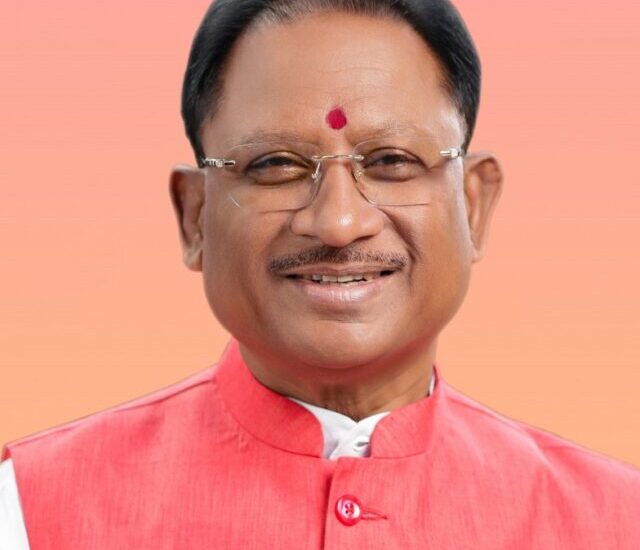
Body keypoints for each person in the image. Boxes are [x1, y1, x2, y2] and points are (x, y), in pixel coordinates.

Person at [1, 0, 639, 547]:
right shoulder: (27, 510)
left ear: (473, 204)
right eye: (275, 164)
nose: (338, 223)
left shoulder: (617, 522)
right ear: (195, 216)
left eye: (391, 161)